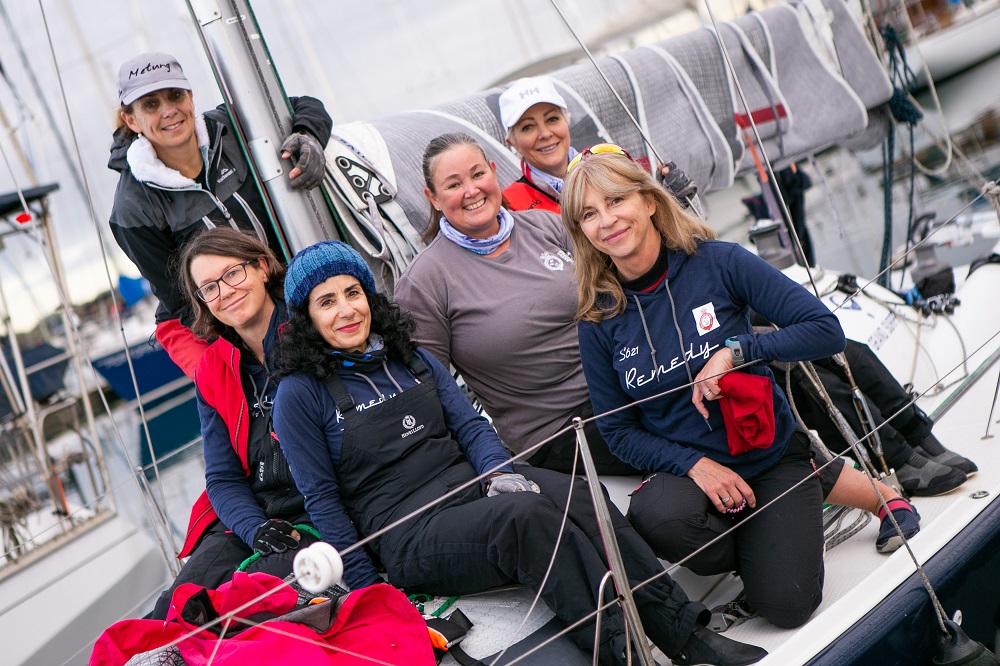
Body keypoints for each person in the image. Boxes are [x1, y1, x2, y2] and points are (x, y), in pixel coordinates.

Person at [272, 240, 768, 666]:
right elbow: (322, 499)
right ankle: (624, 653)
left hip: (472, 485)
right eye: (327, 301)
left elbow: (469, 425)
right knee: (527, 519)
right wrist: (371, 594)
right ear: (308, 318)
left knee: (580, 494)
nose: (346, 310)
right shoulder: (300, 395)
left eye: (353, 293)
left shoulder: (409, 356)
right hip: (409, 530)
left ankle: (686, 635)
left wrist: (496, 472)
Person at [562, 146, 846, 629]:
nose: (607, 221)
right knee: (659, 519)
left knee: (787, 607)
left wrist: (739, 351)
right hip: (691, 475)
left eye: (616, 201)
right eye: (589, 214)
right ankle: (762, 543)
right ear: (581, 231)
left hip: (770, 457)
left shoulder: (719, 262)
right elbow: (617, 432)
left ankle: (806, 500)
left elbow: (825, 329)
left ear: (649, 201)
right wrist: (693, 465)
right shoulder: (598, 317)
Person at [394, 132, 637, 474]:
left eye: (478, 174)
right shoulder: (424, 282)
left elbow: (623, 286)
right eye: (453, 184)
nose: (471, 190)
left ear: (494, 172)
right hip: (562, 431)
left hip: (626, 383)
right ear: (432, 198)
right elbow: (428, 391)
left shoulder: (547, 226)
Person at [108, 51, 333, 379]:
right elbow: (184, 301)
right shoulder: (131, 210)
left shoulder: (230, 125)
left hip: (293, 279)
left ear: (190, 97)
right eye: (151, 105)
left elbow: (304, 106)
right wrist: (258, 347)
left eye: (175, 96)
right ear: (131, 120)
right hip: (223, 315)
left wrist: (310, 137)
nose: (169, 111)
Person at [146, 228, 313, 620]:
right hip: (251, 519)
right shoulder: (215, 369)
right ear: (202, 303)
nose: (225, 291)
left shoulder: (312, 334)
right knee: (170, 611)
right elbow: (222, 478)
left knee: (225, 610)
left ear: (261, 267)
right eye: (208, 287)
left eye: (233, 274)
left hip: (316, 513)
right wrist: (255, 529)